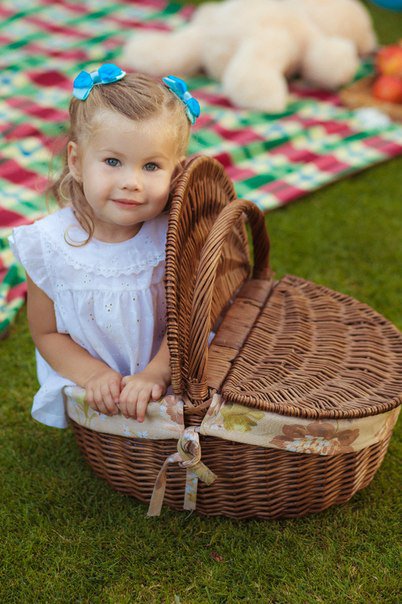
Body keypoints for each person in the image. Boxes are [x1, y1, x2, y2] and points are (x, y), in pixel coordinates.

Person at [9, 64, 200, 429]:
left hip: (170, 375)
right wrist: (93, 374)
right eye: (113, 161)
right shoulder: (48, 246)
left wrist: (156, 373)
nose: (131, 182)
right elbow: (47, 332)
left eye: (151, 166)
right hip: (95, 390)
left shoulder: (174, 239)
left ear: (175, 173)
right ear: (77, 162)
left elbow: (190, 321)